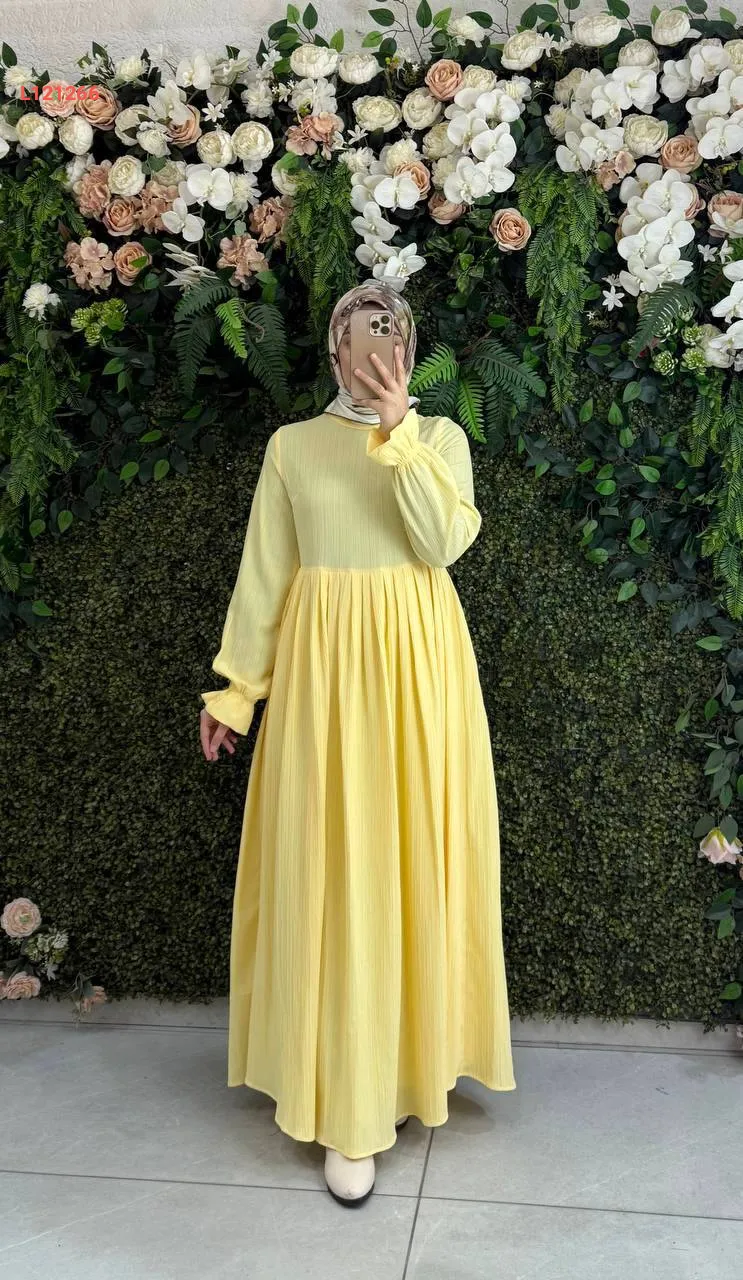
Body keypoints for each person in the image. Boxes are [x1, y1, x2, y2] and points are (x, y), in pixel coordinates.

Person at [199, 279, 516, 1208]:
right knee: (330, 871)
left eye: (396, 336)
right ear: (335, 350)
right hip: (322, 682)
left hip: (420, 679)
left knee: (415, 862)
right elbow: (266, 573)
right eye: (364, 335)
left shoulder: (439, 439)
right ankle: (346, 1104)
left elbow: (441, 542)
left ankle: (411, 1065)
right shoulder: (292, 447)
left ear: (408, 351)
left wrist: (397, 430)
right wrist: (237, 690)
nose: (381, 351)